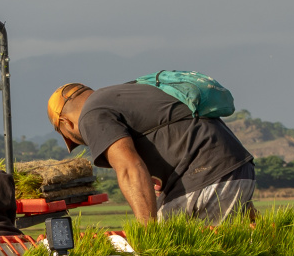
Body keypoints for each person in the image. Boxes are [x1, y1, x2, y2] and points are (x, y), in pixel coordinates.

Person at [47, 81, 256, 225]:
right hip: (234, 169)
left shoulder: (91, 115)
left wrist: (147, 235)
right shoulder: (128, 94)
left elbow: (129, 169)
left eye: (72, 138)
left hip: (206, 175)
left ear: (66, 123)